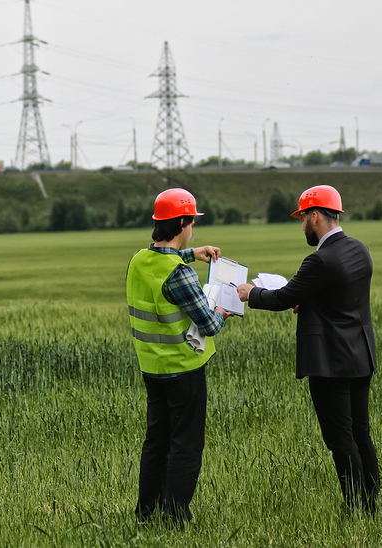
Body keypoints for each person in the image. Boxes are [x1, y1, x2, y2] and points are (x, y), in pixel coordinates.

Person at [236, 184, 380, 514]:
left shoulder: (319, 261)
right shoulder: (360, 249)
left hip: (330, 362)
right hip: (362, 355)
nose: (301, 225)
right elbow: (341, 298)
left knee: (340, 441)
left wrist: (250, 293)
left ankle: (356, 508)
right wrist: (312, 302)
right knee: (361, 434)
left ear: (314, 216)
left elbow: (283, 297)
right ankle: (371, 503)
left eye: (302, 218)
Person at [126, 188, 233, 526]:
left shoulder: (138, 260)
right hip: (183, 369)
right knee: (185, 445)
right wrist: (222, 308)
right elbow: (210, 324)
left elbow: (163, 261)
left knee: (156, 441)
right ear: (184, 222)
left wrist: (191, 253)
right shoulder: (180, 274)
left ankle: (146, 512)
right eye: (192, 222)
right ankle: (175, 517)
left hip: (152, 368)